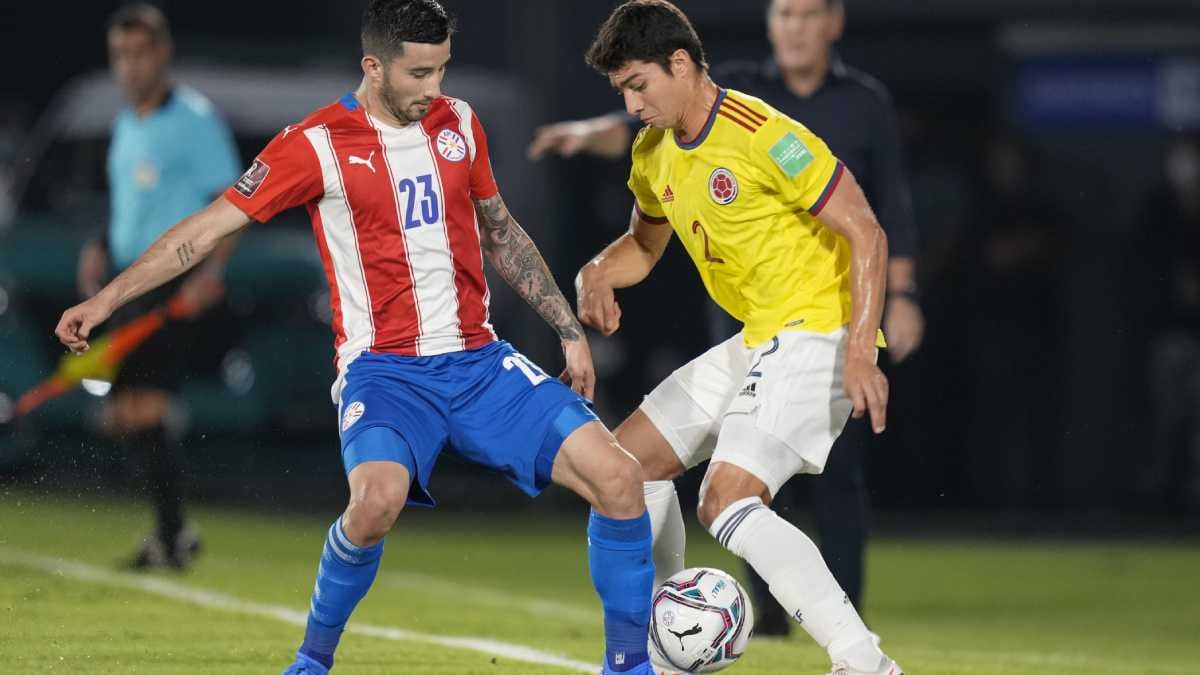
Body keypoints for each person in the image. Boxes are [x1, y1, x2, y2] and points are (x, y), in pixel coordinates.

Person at [56, 2, 655, 674]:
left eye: (442, 69)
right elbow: (203, 229)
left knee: (620, 479)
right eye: (419, 73)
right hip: (386, 373)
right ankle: (311, 662)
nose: (434, 88)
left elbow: (500, 231)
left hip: (479, 363)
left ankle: (629, 666)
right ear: (373, 66)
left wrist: (566, 329)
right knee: (373, 503)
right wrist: (109, 296)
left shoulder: (459, 123)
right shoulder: (314, 143)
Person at [530, 0, 921, 633]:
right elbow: (644, 245)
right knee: (624, 466)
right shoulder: (655, 151)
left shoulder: (763, 131)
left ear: (679, 63)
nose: (631, 105)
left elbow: (867, 232)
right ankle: (671, 639)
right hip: (760, 334)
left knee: (726, 500)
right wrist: (595, 272)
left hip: (819, 329)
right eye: (621, 90)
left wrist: (859, 350)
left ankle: (863, 659)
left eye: (638, 85)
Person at [76, 4, 241, 569]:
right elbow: (131, 205)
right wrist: (100, 242)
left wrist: (212, 275)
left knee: (144, 407)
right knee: (123, 412)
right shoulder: (128, 124)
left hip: (176, 281)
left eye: (138, 53)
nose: (128, 66)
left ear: (163, 53)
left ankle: (172, 539)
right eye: (119, 55)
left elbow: (232, 205)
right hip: (129, 283)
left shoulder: (194, 121)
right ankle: (175, 531)